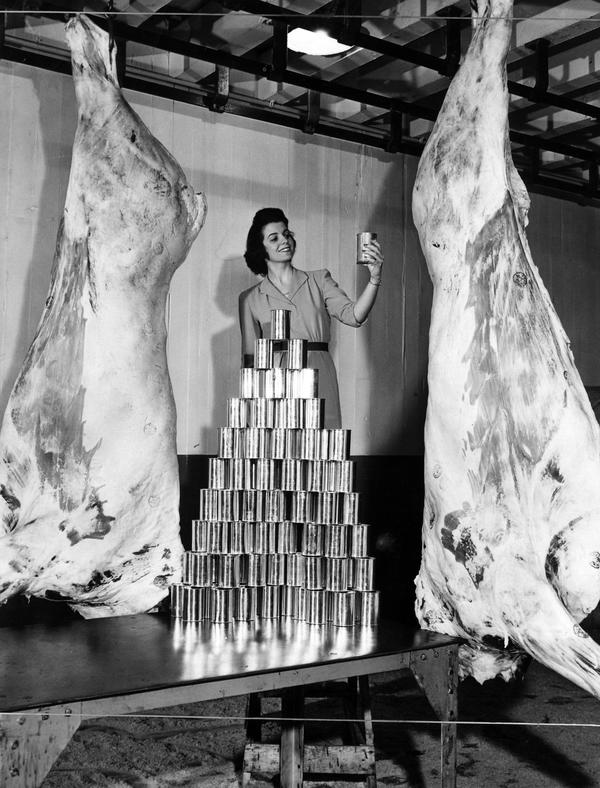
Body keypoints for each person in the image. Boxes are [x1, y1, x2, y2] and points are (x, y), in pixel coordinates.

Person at [238, 207, 383, 428]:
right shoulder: (249, 299)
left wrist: (375, 278)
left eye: (286, 234)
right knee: (282, 448)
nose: (284, 241)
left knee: (323, 445)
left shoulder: (319, 280)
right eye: (273, 238)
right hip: (276, 381)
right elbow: (250, 361)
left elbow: (355, 316)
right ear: (261, 248)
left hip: (318, 371)